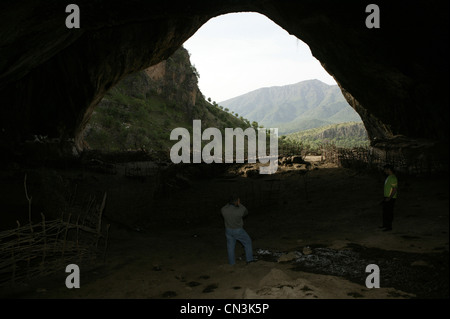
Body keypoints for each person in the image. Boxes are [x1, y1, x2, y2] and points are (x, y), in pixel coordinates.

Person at [220, 194, 254, 265]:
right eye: (238, 200)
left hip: (228, 230)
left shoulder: (223, 210)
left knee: (230, 247)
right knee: (247, 242)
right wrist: (239, 204)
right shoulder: (240, 210)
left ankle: (231, 263)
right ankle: (249, 260)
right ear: (237, 202)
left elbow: (227, 206)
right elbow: (246, 212)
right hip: (238, 230)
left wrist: (231, 202)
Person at [380, 164, 398, 231]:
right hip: (387, 197)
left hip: (390, 198)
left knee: (389, 212)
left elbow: (394, 189)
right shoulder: (389, 177)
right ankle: (385, 225)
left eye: (385, 170)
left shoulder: (393, 178)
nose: (384, 171)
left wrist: (390, 197)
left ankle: (389, 227)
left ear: (388, 169)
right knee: (385, 212)